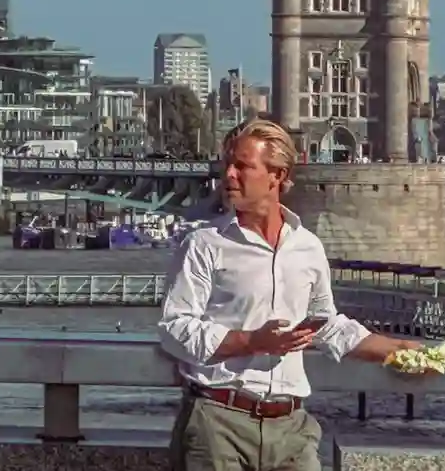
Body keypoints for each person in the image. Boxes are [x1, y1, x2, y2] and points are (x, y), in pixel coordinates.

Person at [157, 119, 428, 471]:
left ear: (277, 176)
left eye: (242, 166)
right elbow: (174, 328)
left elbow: (324, 325)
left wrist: (395, 350)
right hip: (217, 422)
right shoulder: (204, 244)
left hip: (291, 429)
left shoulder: (307, 247)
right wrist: (250, 342)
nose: (229, 176)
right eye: (227, 165)